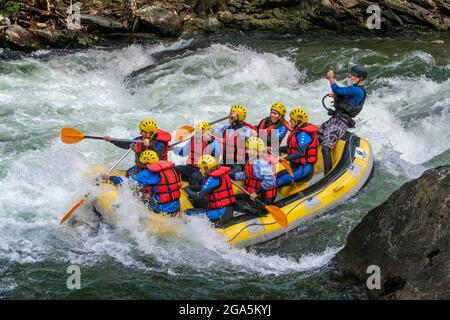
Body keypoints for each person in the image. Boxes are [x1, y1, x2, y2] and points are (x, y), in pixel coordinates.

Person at [319, 64, 368, 175]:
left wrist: (331, 78)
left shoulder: (358, 91)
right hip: (335, 118)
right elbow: (344, 97)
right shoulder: (355, 90)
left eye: (354, 76)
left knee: (326, 148)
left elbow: (337, 89)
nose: (351, 77)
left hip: (340, 122)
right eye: (352, 75)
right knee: (317, 136)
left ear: (361, 78)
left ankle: (328, 175)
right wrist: (337, 97)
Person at [108, 150, 181, 216]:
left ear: (145, 163)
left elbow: (126, 182)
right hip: (176, 207)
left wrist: (110, 178)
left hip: (161, 209)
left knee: (136, 192)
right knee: (146, 191)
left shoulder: (148, 173)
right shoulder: (171, 169)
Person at [103, 119, 171, 176]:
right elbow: (125, 144)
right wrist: (111, 140)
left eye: (142, 131)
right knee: (128, 173)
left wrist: (148, 146)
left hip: (157, 170)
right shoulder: (140, 140)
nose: (140, 133)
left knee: (135, 179)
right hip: (143, 167)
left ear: (149, 133)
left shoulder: (160, 144)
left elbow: (154, 160)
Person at [183, 155, 236, 223]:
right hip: (227, 210)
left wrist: (185, 189)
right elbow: (205, 188)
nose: (200, 170)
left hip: (220, 213)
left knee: (187, 212)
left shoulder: (213, 179)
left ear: (205, 168)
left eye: (201, 168)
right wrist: (190, 188)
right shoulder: (221, 174)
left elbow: (199, 198)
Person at [173, 121, 221, 195]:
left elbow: (215, 159)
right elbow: (183, 151)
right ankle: (175, 189)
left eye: (199, 133)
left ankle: (196, 196)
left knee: (194, 177)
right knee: (174, 170)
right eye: (196, 132)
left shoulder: (214, 144)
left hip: (203, 171)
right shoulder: (193, 139)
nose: (196, 135)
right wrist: (173, 148)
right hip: (190, 167)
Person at [276, 108, 319, 188]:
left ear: (298, 122)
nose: (290, 121)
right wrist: (277, 149)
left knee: (276, 180)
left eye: (292, 120)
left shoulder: (304, 135)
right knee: (275, 176)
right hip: (295, 166)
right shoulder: (298, 132)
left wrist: (285, 158)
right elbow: (291, 148)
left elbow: (300, 153)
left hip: (304, 169)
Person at [234, 137, 277, 215]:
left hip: (262, 197)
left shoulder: (262, 162)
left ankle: (258, 211)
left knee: (234, 203)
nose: (246, 151)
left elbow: (270, 180)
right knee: (233, 198)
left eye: (248, 149)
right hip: (252, 194)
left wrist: (257, 192)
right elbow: (246, 174)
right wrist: (233, 176)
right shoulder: (253, 159)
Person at [220, 104, 256, 178]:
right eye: (230, 113)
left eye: (232, 114)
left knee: (227, 175)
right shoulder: (226, 128)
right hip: (224, 160)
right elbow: (215, 136)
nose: (229, 116)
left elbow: (244, 139)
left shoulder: (247, 130)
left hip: (237, 164)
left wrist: (237, 122)